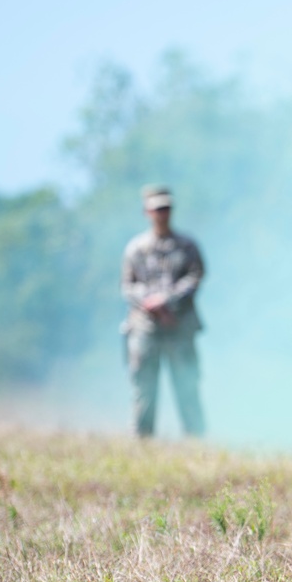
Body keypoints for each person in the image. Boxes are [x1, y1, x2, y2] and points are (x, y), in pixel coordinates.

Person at [121, 185, 206, 438]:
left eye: (166, 208)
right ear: (147, 212)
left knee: (187, 385)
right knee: (143, 388)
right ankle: (142, 441)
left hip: (180, 328)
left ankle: (196, 441)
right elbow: (127, 286)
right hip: (145, 327)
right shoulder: (135, 248)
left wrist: (166, 300)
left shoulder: (187, 246)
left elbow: (195, 276)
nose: (162, 213)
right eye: (157, 209)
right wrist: (150, 304)